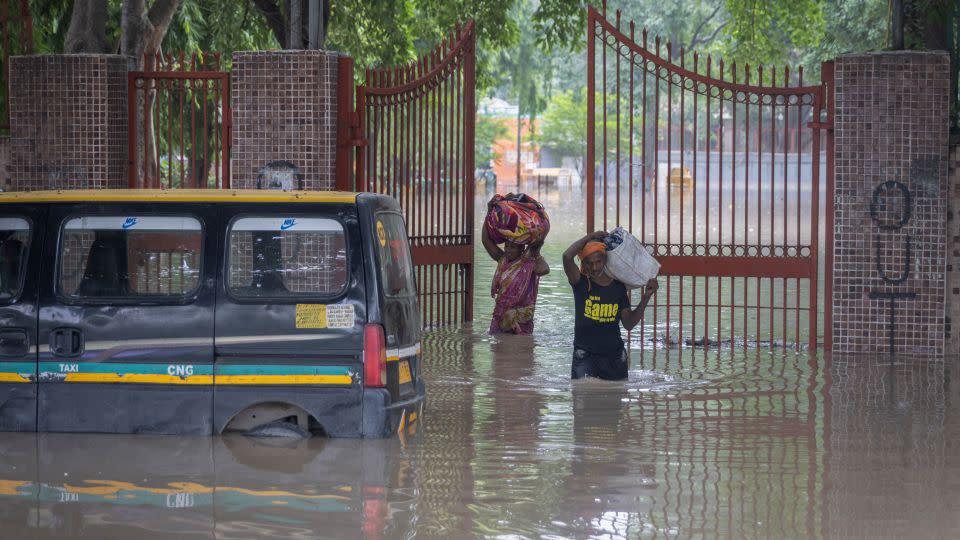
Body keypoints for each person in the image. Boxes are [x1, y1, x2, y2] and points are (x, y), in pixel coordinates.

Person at [562, 231, 658, 380]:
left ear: (605, 260)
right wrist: (589, 237)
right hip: (585, 356)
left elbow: (629, 324)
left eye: (598, 261)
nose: (594, 267)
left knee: (615, 400)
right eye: (589, 263)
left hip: (614, 357)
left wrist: (646, 297)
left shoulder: (618, 288)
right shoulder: (580, 283)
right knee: (582, 394)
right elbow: (567, 256)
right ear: (583, 263)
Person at [481, 225, 549, 335]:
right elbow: (485, 240)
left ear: (521, 249)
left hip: (521, 320)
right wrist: (489, 214)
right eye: (506, 246)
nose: (507, 250)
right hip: (500, 316)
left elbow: (544, 270)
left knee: (521, 349)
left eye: (512, 247)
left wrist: (536, 252)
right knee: (497, 349)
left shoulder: (529, 264)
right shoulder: (502, 259)